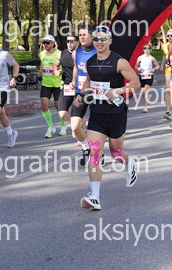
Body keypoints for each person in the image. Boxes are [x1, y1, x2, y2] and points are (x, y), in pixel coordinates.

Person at [77, 26, 140, 210]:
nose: (99, 42)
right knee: (94, 153)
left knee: (116, 153)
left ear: (110, 41)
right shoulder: (90, 62)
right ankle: (95, 196)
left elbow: (135, 83)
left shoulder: (119, 62)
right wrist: (81, 94)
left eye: (103, 39)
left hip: (116, 113)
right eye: (96, 39)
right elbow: (89, 81)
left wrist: (118, 90)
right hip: (97, 113)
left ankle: (129, 162)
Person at [70, 24, 98, 165]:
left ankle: (98, 154)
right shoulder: (77, 52)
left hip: (95, 93)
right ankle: (86, 148)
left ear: (92, 36)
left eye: (84, 35)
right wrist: (73, 80)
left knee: (95, 128)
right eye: (80, 35)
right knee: (75, 127)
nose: (81, 37)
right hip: (80, 92)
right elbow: (76, 67)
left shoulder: (98, 51)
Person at [38, 35, 64, 138]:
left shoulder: (59, 54)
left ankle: (63, 125)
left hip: (57, 84)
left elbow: (66, 66)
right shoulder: (41, 54)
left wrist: (60, 72)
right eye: (44, 43)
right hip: (46, 83)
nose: (45, 45)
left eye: (47, 43)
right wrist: (40, 72)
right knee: (44, 105)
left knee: (58, 107)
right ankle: (50, 127)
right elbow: (42, 63)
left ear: (53, 43)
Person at [57, 34, 79, 137]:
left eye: (72, 41)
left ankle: (79, 129)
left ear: (77, 42)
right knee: (62, 113)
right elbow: (56, 64)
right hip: (67, 86)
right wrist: (56, 71)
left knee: (77, 113)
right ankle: (80, 122)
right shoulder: (61, 54)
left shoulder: (82, 54)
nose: (69, 43)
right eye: (67, 41)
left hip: (80, 87)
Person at [135, 44, 160, 113]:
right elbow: (136, 66)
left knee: (146, 91)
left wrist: (154, 69)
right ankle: (148, 96)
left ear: (150, 50)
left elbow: (158, 66)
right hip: (142, 76)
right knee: (142, 92)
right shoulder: (140, 57)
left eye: (148, 48)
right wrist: (138, 68)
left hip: (149, 76)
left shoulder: (152, 58)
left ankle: (145, 107)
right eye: (144, 48)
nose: (146, 50)